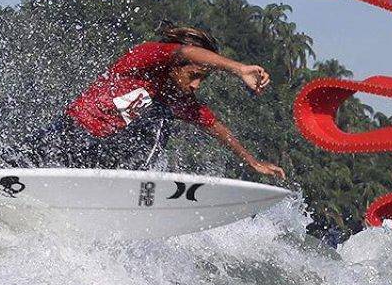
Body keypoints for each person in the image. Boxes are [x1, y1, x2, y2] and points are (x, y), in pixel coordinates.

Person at [16, 22, 286, 178]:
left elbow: (212, 124)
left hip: (99, 156)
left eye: (202, 79)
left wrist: (251, 160)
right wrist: (238, 68)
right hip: (70, 134)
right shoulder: (148, 56)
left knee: (162, 113)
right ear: (179, 62)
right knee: (5, 165)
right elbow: (186, 52)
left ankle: (133, 183)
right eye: (194, 75)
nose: (195, 85)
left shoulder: (173, 96)